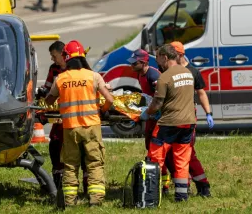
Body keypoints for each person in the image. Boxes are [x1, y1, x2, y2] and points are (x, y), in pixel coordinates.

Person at [45, 40, 114, 207]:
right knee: (94, 163)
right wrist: (101, 109)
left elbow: (48, 101)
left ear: (66, 58)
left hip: (70, 128)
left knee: (70, 165)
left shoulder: (61, 78)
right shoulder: (93, 76)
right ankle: (95, 201)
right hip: (91, 127)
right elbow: (110, 99)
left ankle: (69, 202)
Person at [144, 44, 196, 202]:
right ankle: (181, 195)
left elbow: (157, 104)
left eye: (158, 57)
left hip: (168, 123)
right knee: (181, 159)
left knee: (155, 158)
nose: (157, 61)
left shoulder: (164, 77)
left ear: (165, 57)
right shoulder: (187, 73)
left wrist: (146, 113)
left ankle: (151, 195)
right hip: (188, 123)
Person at [35, 41, 89, 193]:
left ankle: (85, 183)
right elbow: (47, 91)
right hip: (62, 116)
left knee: (82, 152)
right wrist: (42, 96)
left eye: (54, 56)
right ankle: (59, 179)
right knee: (55, 145)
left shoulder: (79, 70)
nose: (53, 59)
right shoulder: (54, 70)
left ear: (63, 54)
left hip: (76, 117)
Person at [162, 41, 213, 197]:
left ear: (180, 55)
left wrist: (209, 113)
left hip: (187, 117)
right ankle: (183, 186)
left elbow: (201, 93)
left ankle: (202, 186)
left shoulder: (192, 72)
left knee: (187, 154)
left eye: (173, 54)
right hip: (171, 118)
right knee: (172, 154)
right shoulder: (167, 70)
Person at [127, 49, 160, 150]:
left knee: (156, 144)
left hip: (158, 114)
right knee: (148, 143)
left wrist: (156, 112)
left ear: (144, 63)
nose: (131, 65)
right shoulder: (139, 74)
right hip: (150, 112)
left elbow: (160, 97)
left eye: (134, 63)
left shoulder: (153, 75)